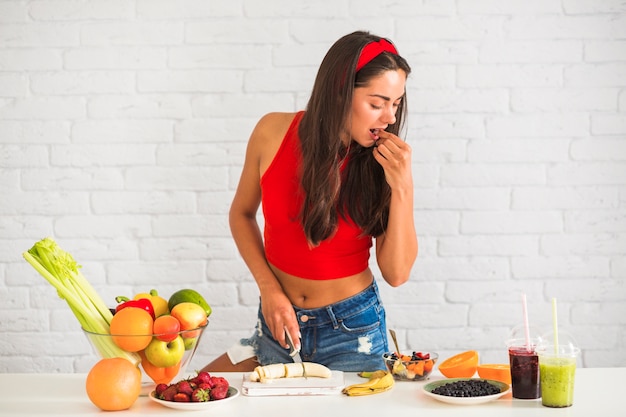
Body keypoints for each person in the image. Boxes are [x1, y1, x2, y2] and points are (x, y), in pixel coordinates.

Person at [202, 31, 417, 373]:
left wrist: (403, 188)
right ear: (339, 91)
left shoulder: (386, 164)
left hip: (353, 331)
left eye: (396, 103)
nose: (389, 117)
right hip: (279, 326)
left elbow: (397, 273)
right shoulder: (271, 132)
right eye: (377, 103)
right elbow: (242, 214)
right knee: (191, 393)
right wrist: (269, 289)